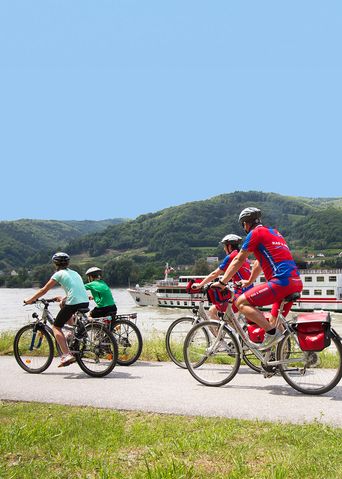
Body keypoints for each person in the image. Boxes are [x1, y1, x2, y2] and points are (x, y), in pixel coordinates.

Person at [214, 207, 303, 349]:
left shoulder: (255, 233)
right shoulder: (275, 233)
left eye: (243, 225)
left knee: (241, 303)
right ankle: (277, 360)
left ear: (246, 224)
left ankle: (272, 334)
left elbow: (239, 259)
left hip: (281, 282)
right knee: (274, 321)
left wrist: (222, 282)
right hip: (296, 282)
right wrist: (249, 281)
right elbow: (258, 263)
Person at [24, 252, 89, 367]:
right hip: (84, 301)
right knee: (63, 305)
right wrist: (63, 298)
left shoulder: (58, 274)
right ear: (68, 263)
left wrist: (30, 300)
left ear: (55, 264)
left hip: (73, 302)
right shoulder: (75, 273)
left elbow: (44, 290)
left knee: (56, 326)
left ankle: (66, 355)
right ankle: (71, 332)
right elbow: (76, 289)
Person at [191, 234, 252, 321]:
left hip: (239, 295)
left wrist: (200, 285)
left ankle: (222, 334)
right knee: (228, 319)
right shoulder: (244, 257)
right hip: (249, 293)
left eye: (224, 246)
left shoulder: (232, 257)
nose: (224, 249)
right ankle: (233, 333)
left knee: (212, 310)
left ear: (229, 246)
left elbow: (215, 273)